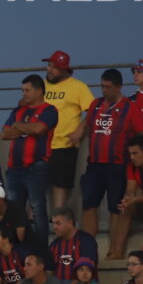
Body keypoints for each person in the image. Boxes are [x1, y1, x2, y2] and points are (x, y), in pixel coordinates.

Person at [80, 68, 143, 237]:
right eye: (102, 86)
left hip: (118, 165)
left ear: (118, 87)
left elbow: (141, 136)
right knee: (88, 204)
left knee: (116, 207)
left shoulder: (130, 107)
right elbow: (88, 128)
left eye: (108, 87)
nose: (104, 90)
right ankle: (89, 246)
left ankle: (114, 249)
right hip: (94, 164)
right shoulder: (95, 105)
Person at [1, 74, 58, 242]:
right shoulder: (18, 110)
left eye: (27, 90)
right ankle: (18, 247)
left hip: (36, 167)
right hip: (14, 168)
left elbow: (39, 129)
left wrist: (18, 126)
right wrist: (26, 128)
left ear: (39, 91)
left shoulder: (49, 110)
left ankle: (40, 249)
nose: (23, 94)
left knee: (38, 209)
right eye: (22, 90)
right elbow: (4, 133)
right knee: (14, 211)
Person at [38, 50, 95, 211]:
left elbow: (93, 109)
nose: (49, 70)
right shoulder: (41, 85)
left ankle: (58, 224)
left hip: (64, 146)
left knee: (60, 190)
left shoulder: (78, 86)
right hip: (40, 145)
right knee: (35, 190)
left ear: (64, 70)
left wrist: (80, 130)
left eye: (54, 67)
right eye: (49, 65)